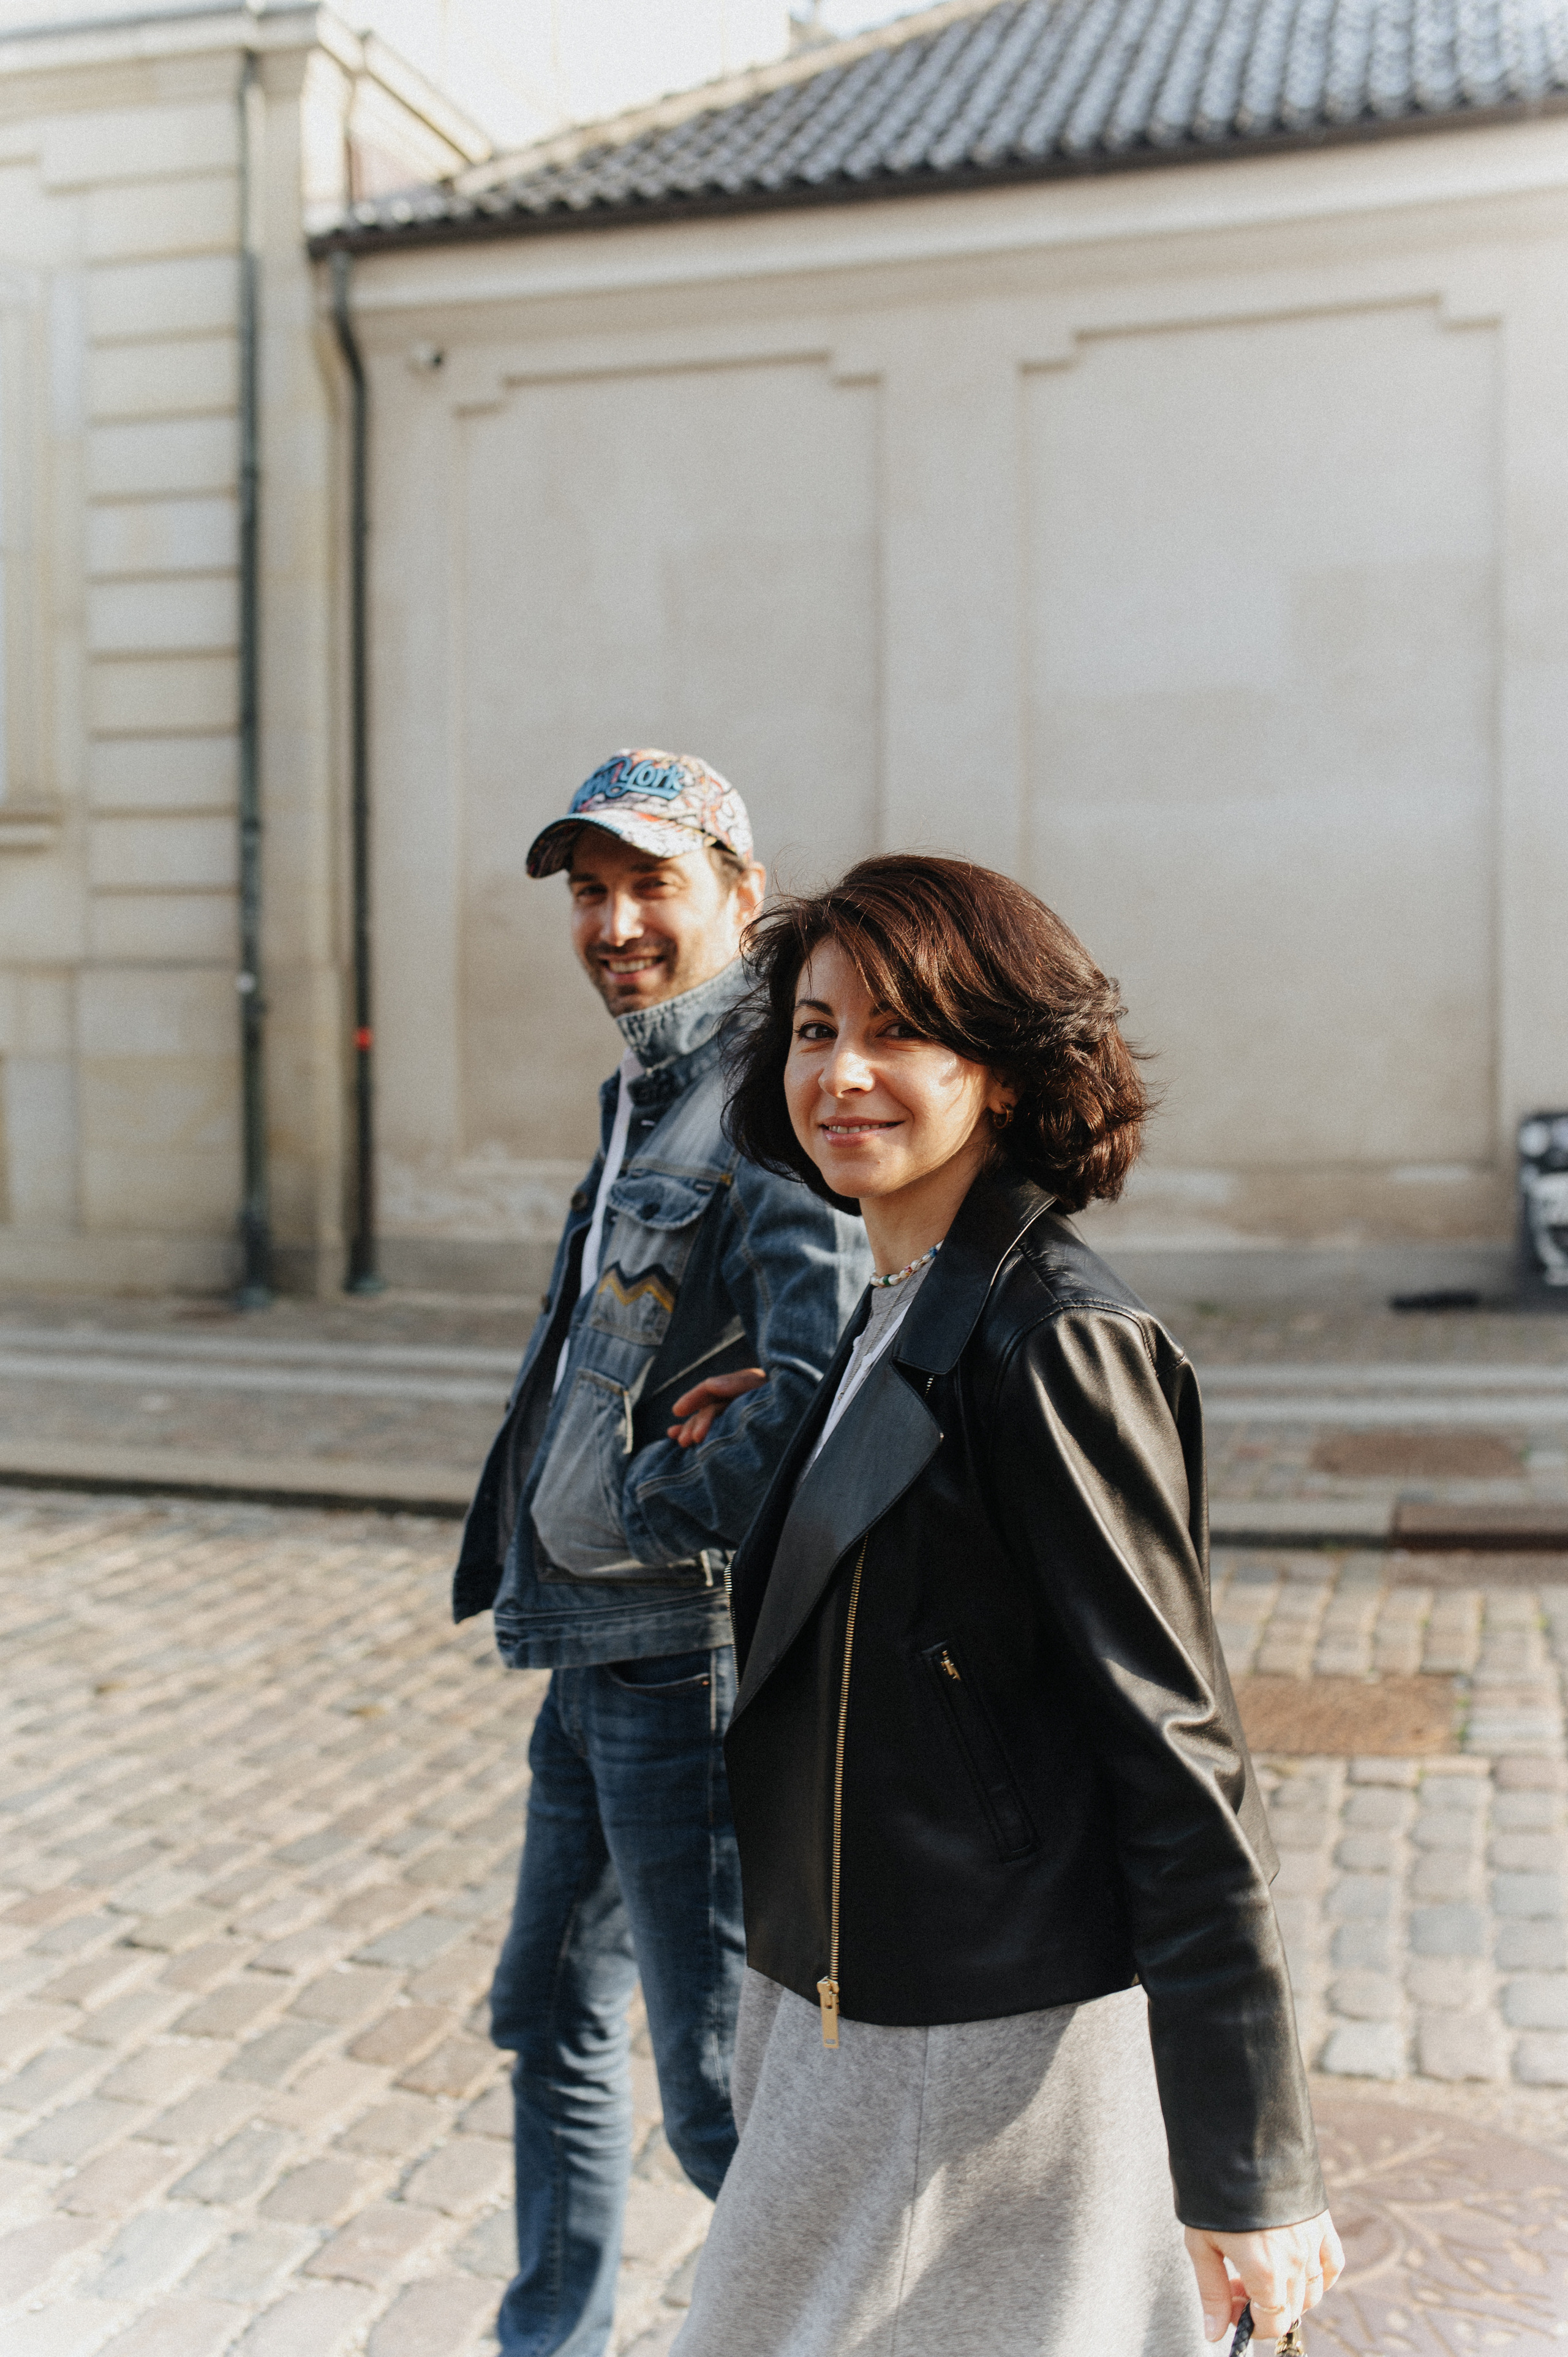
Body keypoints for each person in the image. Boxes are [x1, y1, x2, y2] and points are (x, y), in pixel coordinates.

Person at [668, 853, 1343, 2356]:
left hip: (961, 2044)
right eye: (812, 1027)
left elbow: (1178, 1750)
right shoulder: (900, 1303)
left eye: (900, 1030)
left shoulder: (1052, 1338)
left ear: (1004, 1067)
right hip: (846, 1998)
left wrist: (1247, 2164)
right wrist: (798, 1431)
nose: (840, 1071)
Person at [453, 749, 870, 2357]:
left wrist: (652, 1521)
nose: (617, 920)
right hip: (590, 1648)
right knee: (552, 2006)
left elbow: (820, 1361)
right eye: (591, 890)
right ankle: (546, 2337)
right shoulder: (649, 1083)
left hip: (674, 1661)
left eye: (653, 885)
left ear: (740, 899)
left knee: (713, 2100)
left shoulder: (764, 1100)